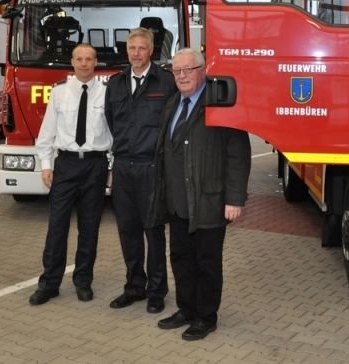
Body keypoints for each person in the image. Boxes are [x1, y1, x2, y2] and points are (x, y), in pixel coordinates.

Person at [148, 48, 251, 341]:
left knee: (207, 262)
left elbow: (238, 154)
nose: (181, 76)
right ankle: (187, 309)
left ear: (202, 70)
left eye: (187, 70)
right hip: (177, 202)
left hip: (209, 200)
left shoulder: (220, 105)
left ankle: (206, 316)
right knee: (181, 258)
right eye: (176, 71)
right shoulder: (172, 104)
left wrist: (235, 199)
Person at [29, 43, 112, 306]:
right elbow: (47, 132)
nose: (84, 64)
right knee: (57, 227)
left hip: (95, 166)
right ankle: (49, 283)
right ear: (72, 62)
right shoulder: (59, 93)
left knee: (89, 227)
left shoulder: (107, 94)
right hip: (65, 165)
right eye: (79, 59)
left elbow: (115, 134)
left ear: (96, 62)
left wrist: (111, 167)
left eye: (89, 59)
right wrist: (46, 165)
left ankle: (83, 281)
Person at [105, 28, 177, 314]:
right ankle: (134, 287)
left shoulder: (166, 82)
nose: (136, 53)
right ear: (127, 51)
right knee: (128, 230)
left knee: (153, 231)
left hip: (151, 168)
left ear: (151, 51)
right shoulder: (116, 84)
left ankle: (157, 291)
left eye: (142, 48)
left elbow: (172, 124)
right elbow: (111, 121)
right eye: (132, 48)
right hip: (124, 167)